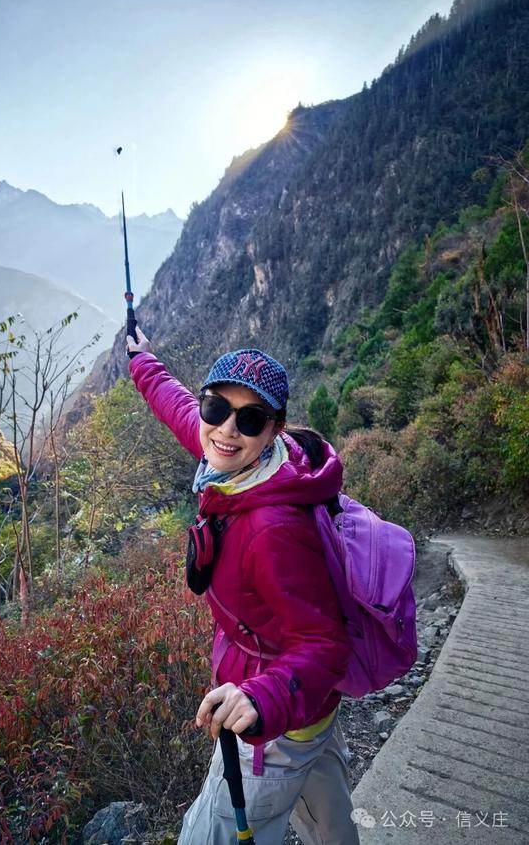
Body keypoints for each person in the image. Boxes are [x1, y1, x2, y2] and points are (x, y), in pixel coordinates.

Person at [126, 326, 360, 845]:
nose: (226, 429)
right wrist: (142, 361)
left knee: (209, 836)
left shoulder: (272, 528)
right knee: (332, 828)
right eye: (217, 408)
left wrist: (261, 696)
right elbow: (180, 408)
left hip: (274, 718)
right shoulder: (241, 461)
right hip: (310, 707)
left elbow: (325, 644)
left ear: (274, 428)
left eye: (249, 419)